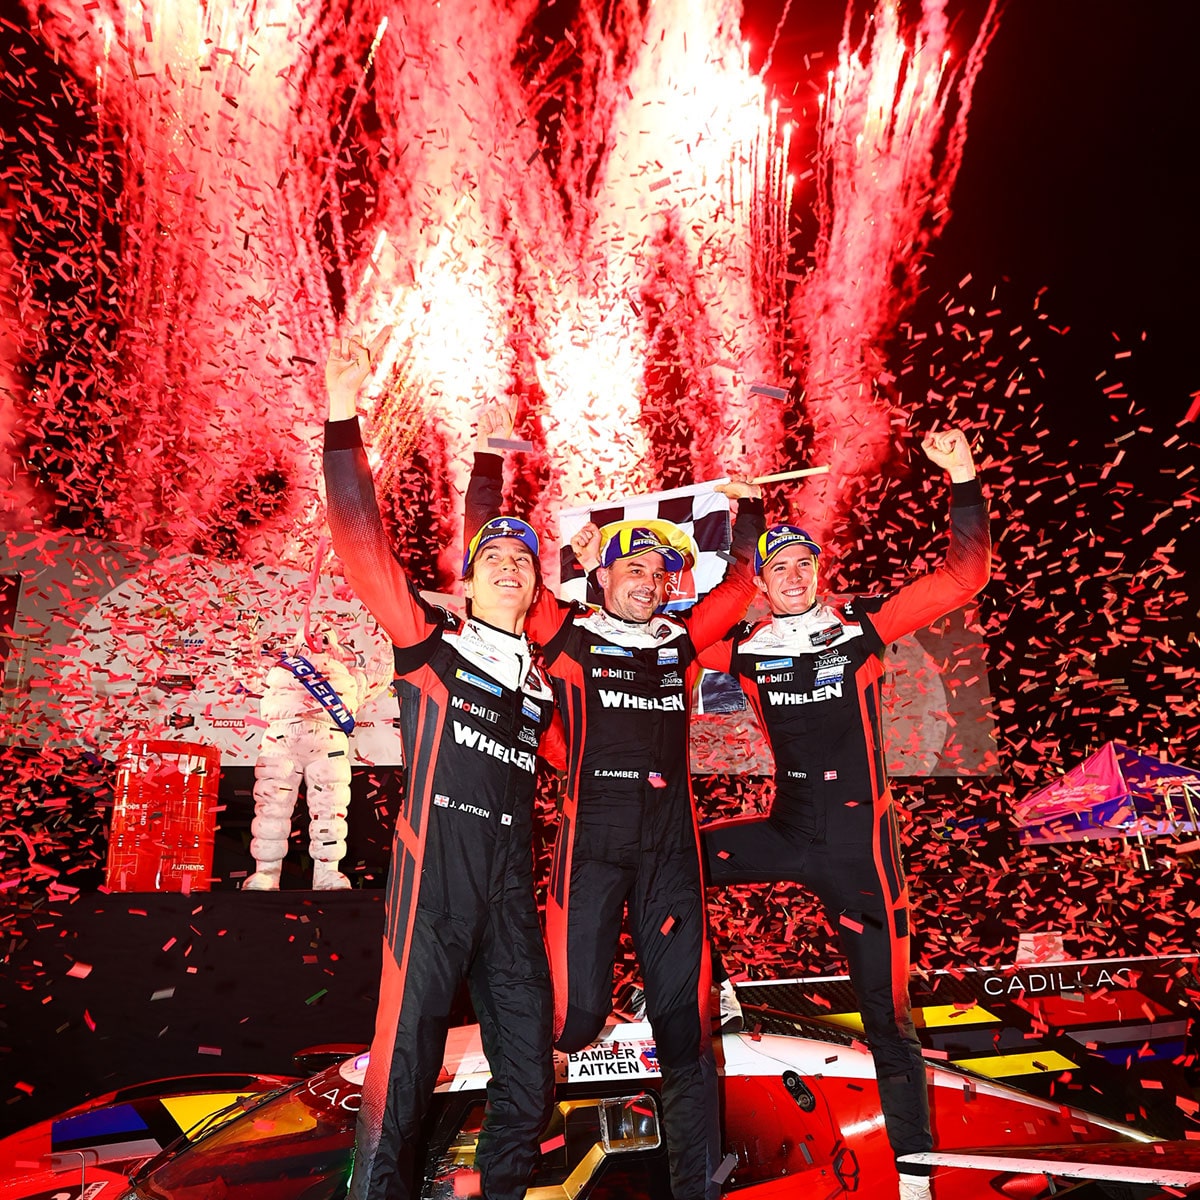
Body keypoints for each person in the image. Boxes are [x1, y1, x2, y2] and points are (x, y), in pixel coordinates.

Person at [468, 414, 764, 1200]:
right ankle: (502, 1171)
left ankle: (694, 1187)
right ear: (602, 578)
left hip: (671, 853)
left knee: (685, 1027)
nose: (648, 580)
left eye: (661, 573)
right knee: (569, 1017)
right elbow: (494, 560)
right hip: (590, 847)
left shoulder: (682, 641)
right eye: (633, 568)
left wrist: (750, 511)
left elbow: (739, 587)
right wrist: (489, 469)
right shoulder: (565, 635)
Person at [698, 428, 991, 1200]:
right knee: (661, 858)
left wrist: (962, 477)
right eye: (777, 567)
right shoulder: (751, 646)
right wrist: (749, 516)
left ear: (820, 573)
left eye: (804, 563)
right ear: (761, 581)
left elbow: (963, 577)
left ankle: (918, 1177)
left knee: (887, 1018)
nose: (792, 576)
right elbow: (690, 642)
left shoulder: (861, 626)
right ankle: (711, 992)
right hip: (788, 832)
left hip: (862, 855)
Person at [323, 331, 557, 1200]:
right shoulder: (431, 646)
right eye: (490, 557)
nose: (505, 567)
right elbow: (360, 544)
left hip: (508, 893)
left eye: (520, 562)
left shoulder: (539, 683)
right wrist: (343, 422)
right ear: (469, 578)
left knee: (531, 1070)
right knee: (408, 1064)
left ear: (535, 589)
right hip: (434, 886)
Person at [244, 624, 367, 891]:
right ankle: (265, 873)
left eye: (323, 637)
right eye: (312, 635)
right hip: (280, 742)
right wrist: (245, 639)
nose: (316, 640)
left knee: (330, 810)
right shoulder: (279, 668)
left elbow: (372, 684)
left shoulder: (346, 673)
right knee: (271, 809)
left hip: (328, 744)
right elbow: (247, 674)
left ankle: (327, 873)